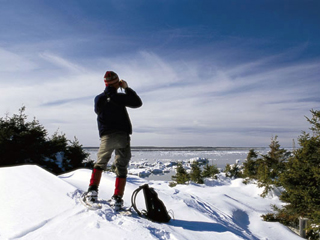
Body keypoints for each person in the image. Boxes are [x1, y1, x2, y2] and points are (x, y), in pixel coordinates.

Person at [83, 71, 142, 209]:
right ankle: (117, 198)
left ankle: (92, 192)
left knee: (100, 163)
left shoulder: (99, 99)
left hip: (107, 136)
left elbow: (98, 112)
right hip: (123, 136)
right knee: (121, 167)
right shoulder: (120, 97)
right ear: (117, 83)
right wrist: (126, 88)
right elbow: (137, 103)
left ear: (105, 83)